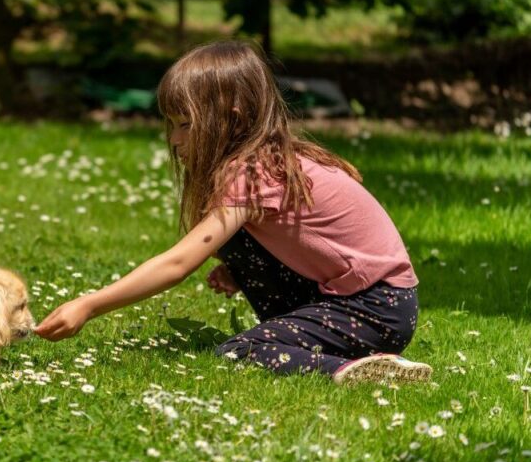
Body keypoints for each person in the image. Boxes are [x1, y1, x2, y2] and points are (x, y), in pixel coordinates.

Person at [35, 40, 432, 385]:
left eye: (185, 125)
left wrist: (89, 304)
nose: (174, 140)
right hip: (377, 302)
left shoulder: (251, 172)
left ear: (232, 117)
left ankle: (350, 369)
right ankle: (333, 349)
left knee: (241, 351)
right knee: (233, 239)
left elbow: (177, 263)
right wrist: (245, 268)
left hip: (375, 308)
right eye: (171, 125)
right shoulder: (268, 160)